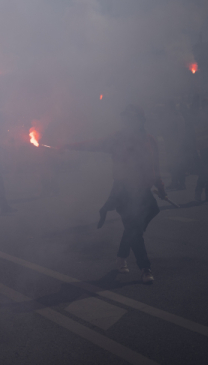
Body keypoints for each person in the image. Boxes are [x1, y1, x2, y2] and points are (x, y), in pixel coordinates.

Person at [62, 105, 167, 284]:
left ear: (141, 121)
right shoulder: (117, 139)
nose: (128, 122)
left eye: (132, 119)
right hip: (123, 191)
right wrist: (66, 147)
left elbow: (154, 167)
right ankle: (145, 268)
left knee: (144, 220)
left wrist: (161, 187)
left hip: (143, 192)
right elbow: (92, 144)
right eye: (126, 119)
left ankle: (121, 256)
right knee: (135, 230)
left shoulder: (150, 140)